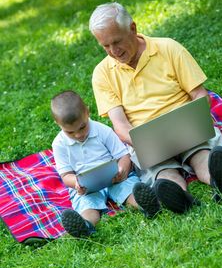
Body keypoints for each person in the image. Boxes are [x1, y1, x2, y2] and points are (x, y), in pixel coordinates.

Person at [89, 2, 222, 213]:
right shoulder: (102, 73)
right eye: (105, 46)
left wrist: (196, 118)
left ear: (133, 28)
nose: (113, 51)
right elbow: (119, 124)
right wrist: (141, 140)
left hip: (185, 124)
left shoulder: (168, 48)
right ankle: (178, 197)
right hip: (146, 139)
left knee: (202, 154)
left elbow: (199, 94)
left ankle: (220, 180)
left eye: (117, 42)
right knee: (162, 173)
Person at [51, 90, 160, 238]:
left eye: (82, 127)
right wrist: (76, 183)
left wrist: (123, 170)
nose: (78, 135)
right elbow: (65, 175)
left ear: (87, 112)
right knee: (87, 206)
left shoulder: (102, 131)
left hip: (114, 177)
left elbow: (123, 155)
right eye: (70, 132)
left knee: (129, 191)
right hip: (87, 187)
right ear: (58, 124)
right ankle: (85, 225)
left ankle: (147, 205)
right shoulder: (59, 144)